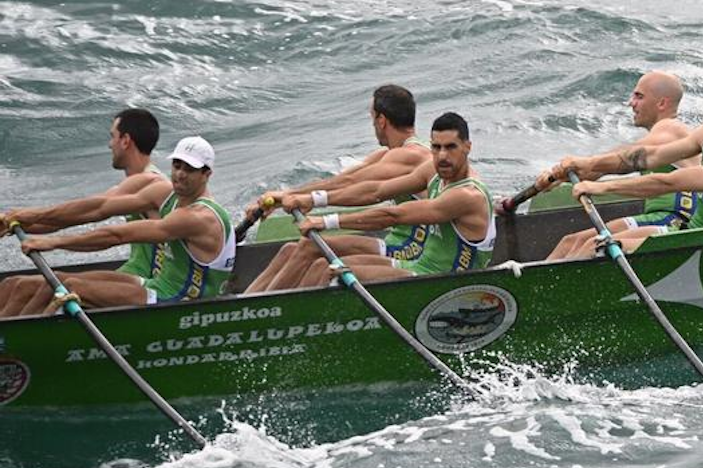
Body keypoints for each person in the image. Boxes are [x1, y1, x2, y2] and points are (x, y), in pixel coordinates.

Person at [0, 136, 234, 317]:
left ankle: (19, 346)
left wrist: (54, 243)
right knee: (23, 284)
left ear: (207, 174)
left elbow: (117, 235)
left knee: (70, 288)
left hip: (180, 302)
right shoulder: (166, 194)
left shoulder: (198, 217)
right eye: (177, 166)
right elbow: (100, 208)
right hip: (157, 284)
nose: (180, 175)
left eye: (190, 169)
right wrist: (24, 217)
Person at [244, 85, 432, 293]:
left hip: (413, 251)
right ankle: (243, 306)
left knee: (312, 252)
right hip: (397, 241)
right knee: (290, 249)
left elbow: (353, 182)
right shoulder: (387, 155)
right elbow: (340, 180)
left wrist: (298, 198)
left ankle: (269, 312)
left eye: (372, 119)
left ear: (381, 120)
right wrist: (285, 197)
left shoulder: (412, 155)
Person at [276, 112, 495, 287]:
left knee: (330, 271)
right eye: (436, 147)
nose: (442, 156)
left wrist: (325, 222)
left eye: (450, 147)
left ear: (468, 147)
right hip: (418, 265)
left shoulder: (466, 196)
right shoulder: (432, 169)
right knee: (323, 264)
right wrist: (315, 199)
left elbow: (392, 215)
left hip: (445, 283)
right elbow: (377, 191)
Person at [557, 81, 703, 256]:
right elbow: (650, 157)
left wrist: (602, 188)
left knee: (598, 249)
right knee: (591, 243)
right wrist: (588, 163)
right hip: (688, 234)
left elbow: (668, 182)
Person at [0, 108, 172, 313]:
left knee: (30, 287)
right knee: (12, 284)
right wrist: (12, 224)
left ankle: (12, 339)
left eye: (112, 137)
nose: (110, 144)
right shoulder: (131, 185)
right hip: (130, 273)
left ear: (125, 141)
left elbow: (94, 209)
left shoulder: (150, 181)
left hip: (150, 282)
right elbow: (68, 219)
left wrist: (25, 216)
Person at [538, 71, 699, 261]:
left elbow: (622, 158)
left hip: (675, 220)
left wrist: (580, 162)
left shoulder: (672, 128)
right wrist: (557, 178)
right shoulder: (659, 137)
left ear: (662, 103)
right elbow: (603, 168)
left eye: (639, 96)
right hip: (660, 216)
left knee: (590, 246)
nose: (631, 103)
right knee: (570, 241)